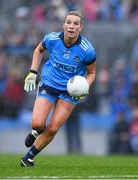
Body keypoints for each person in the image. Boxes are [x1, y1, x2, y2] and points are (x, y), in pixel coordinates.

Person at [21, 11, 96, 167]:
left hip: (70, 92)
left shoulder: (87, 50)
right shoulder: (52, 39)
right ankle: (35, 131)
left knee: (54, 127)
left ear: (80, 28)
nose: (71, 26)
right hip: (49, 84)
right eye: (69, 22)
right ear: (64, 25)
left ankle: (28, 158)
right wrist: (32, 72)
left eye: (76, 23)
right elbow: (38, 50)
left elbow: (92, 73)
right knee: (37, 124)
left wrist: (85, 87)